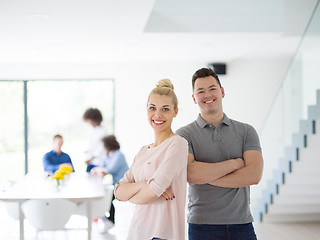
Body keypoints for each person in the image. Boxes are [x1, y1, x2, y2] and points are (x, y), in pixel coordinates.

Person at [176, 67, 264, 240]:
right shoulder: (184, 135)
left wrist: (205, 175)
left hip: (242, 224)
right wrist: (235, 164)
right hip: (202, 226)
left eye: (212, 89)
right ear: (194, 98)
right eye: (201, 91)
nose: (207, 95)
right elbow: (191, 174)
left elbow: (254, 175)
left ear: (222, 92)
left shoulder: (246, 131)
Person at [114, 79, 188, 240]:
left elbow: (152, 193)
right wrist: (145, 185)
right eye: (152, 108)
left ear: (175, 112)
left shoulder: (178, 144)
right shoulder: (143, 151)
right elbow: (118, 192)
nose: (158, 115)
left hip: (163, 234)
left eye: (165, 109)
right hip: (137, 232)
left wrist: (142, 191)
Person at [90, 135, 129, 230]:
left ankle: (110, 221)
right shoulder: (107, 155)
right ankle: (107, 220)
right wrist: (98, 169)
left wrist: (98, 169)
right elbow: (101, 167)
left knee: (106, 197)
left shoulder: (119, 155)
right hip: (115, 183)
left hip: (125, 184)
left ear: (108, 145)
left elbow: (109, 169)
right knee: (102, 195)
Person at [83, 108, 107, 172]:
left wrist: (91, 158)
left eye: (89, 120)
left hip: (98, 162)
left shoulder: (103, 131)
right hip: (90, 161)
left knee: (95, 180)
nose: (88, 122)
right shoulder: (92, 130)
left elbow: (100, 149)